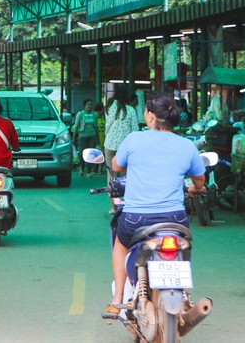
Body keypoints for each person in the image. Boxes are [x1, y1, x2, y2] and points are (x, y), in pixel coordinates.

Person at [103, 93, 206, 319]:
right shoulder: (187, 146)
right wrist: (194, 189)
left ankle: (117, 298)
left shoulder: (133, 139)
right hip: (175, 219)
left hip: (136, 219)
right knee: (182, 246)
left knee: (120, 244)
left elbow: (116, 166)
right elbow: (200, 181)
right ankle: (184, 293)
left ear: (150, 116)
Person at [103, 85, 139, 175]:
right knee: (124, 175)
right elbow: (135, 130)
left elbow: (107, 125)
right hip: (125, 146)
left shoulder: (109, 107)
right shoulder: (130, 110)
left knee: (111, 176)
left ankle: (111, 189)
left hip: (110, 144)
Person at [72, 99, 100, 176]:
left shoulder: (94, 115)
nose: (90, 106)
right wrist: (74, 137)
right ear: (84, 106)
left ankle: (89, 171)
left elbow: (96, 127)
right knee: (82, 153)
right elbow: (77, 126)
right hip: (82, 137)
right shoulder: (80, 114)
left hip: (92, 136)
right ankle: (82, 167)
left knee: (90, 153)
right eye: (88, 104)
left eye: (91, 104)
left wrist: (97, 137)